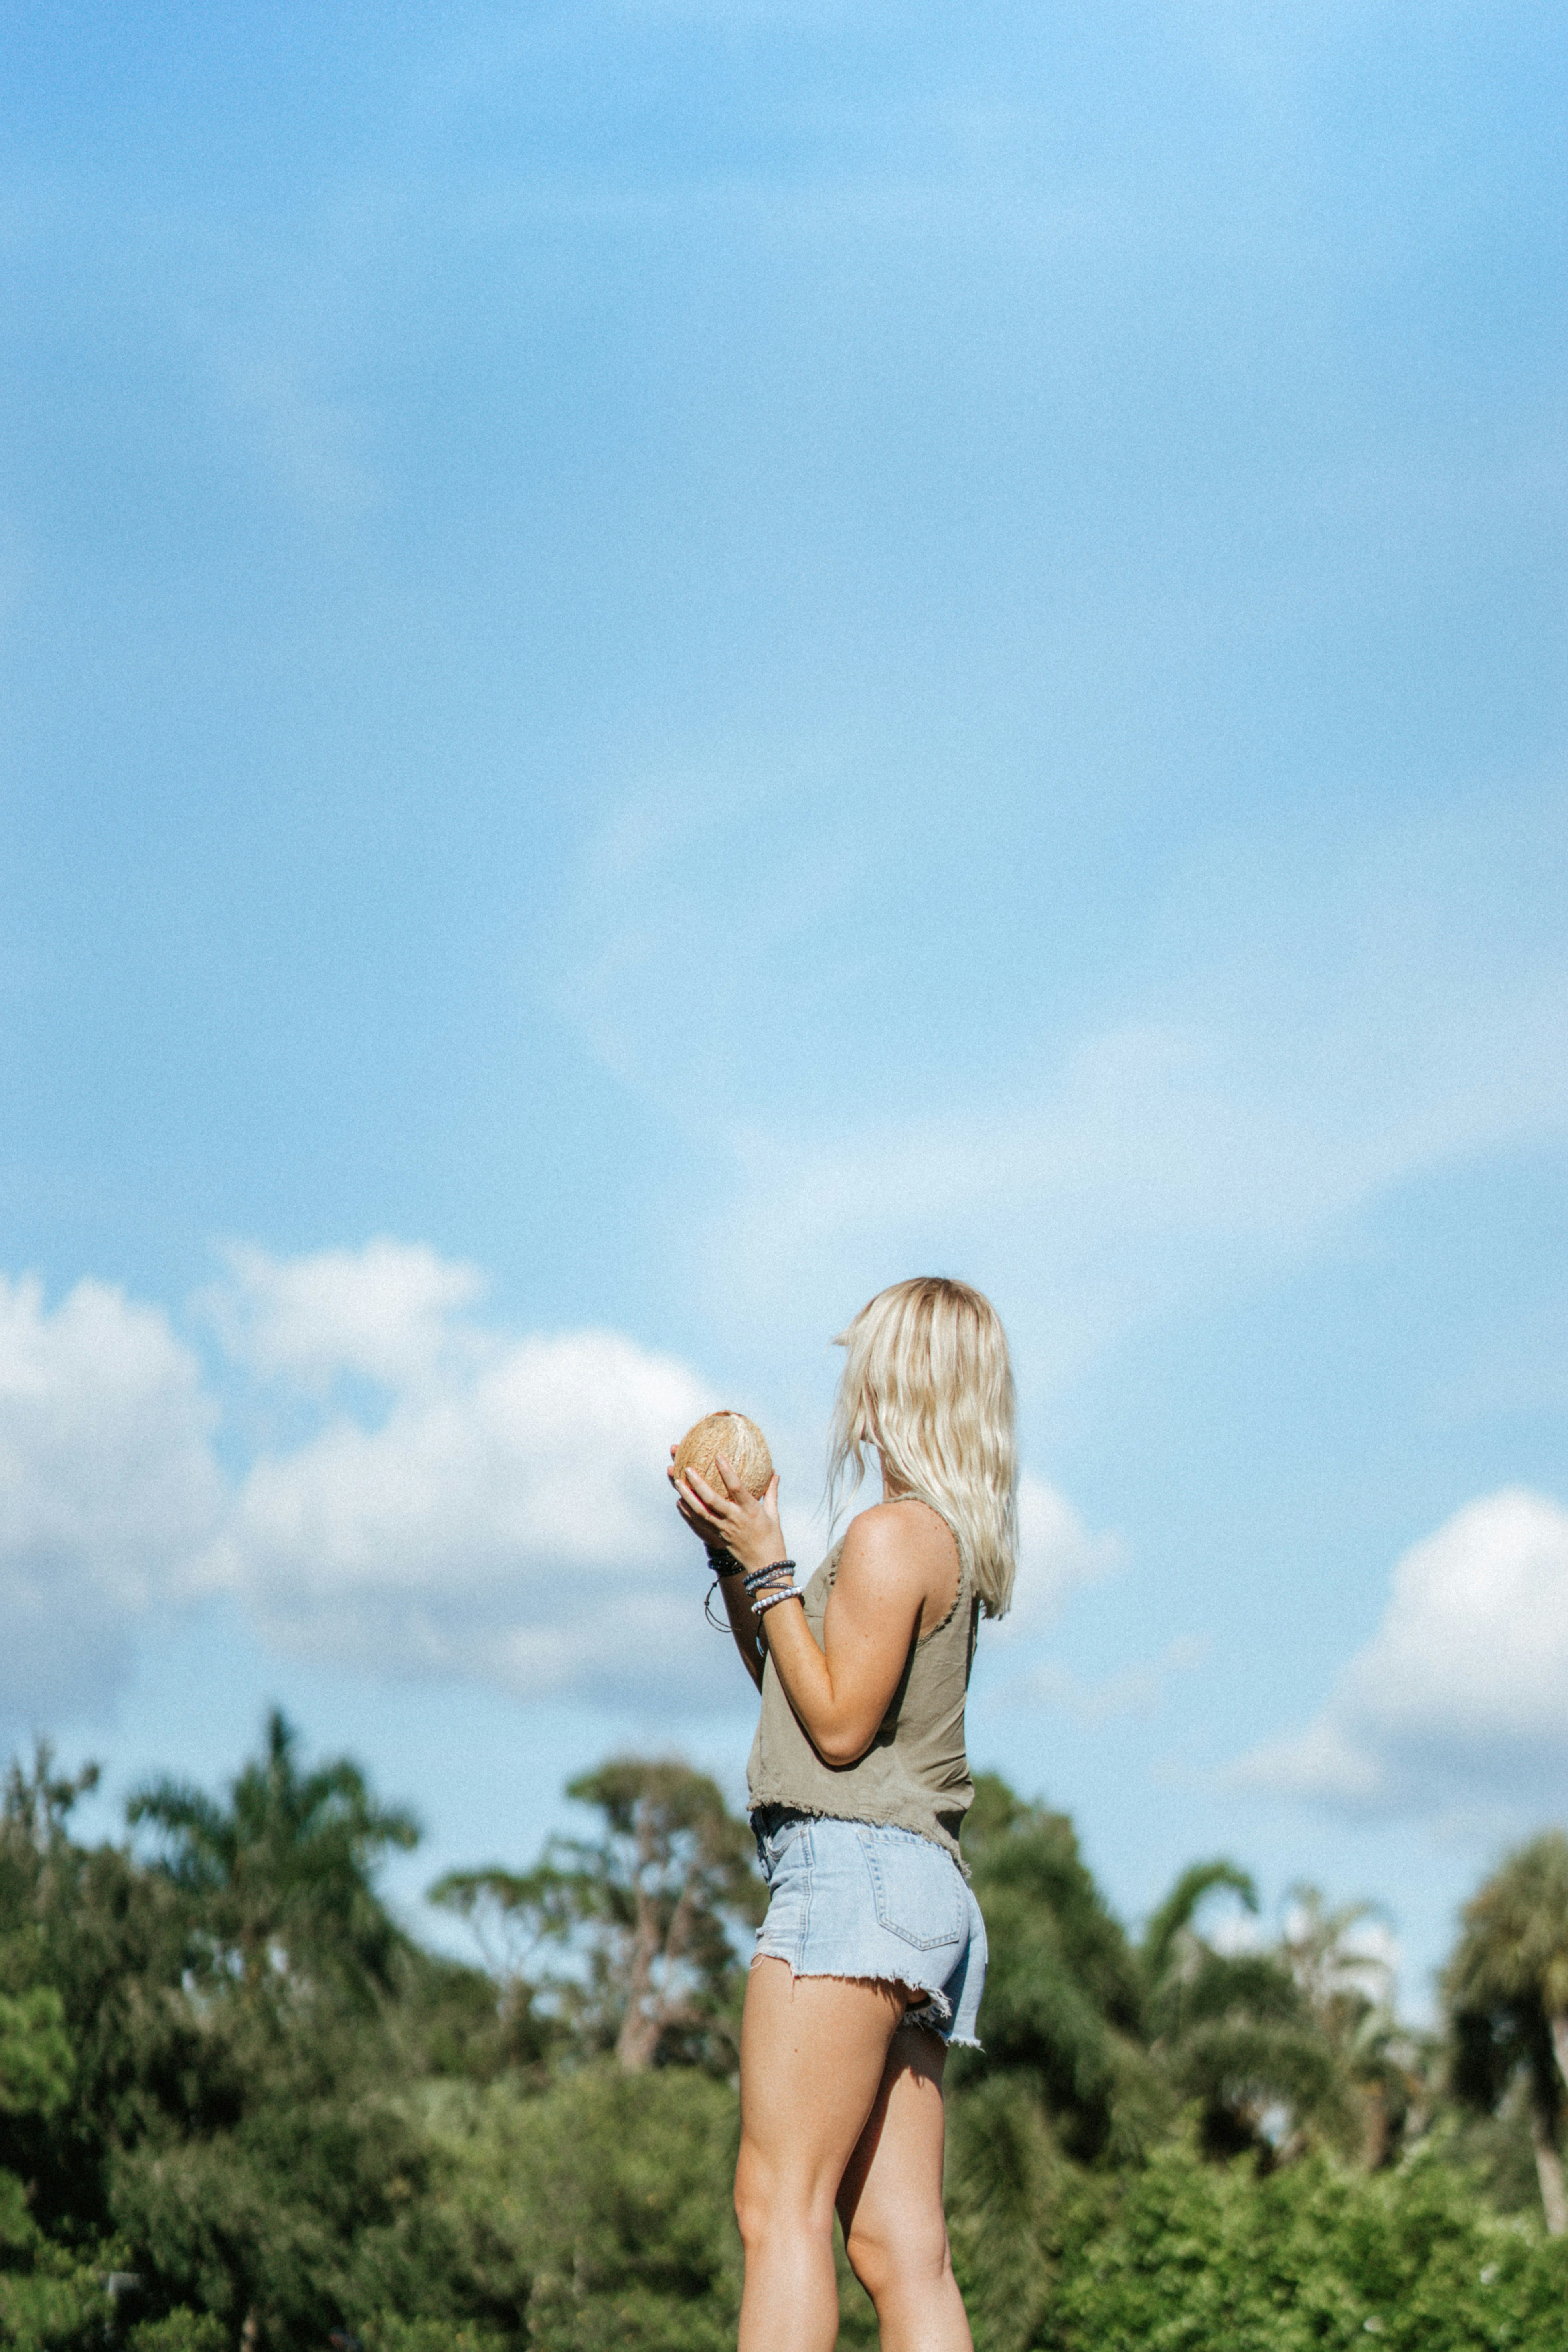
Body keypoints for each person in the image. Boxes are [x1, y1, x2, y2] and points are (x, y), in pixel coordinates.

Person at [671, 1276, 1017, 2352]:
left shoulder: (888, 1536)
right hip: (919, 1894)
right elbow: (796, 1682)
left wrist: (774, 1556)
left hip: (849, 1879)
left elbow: (831, 1733)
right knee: (896, 2249)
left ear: (901, 1382)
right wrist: (741, 1561)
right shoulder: (937, 1538)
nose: (851, 1389)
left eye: (866, 1364)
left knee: (777, 2210)